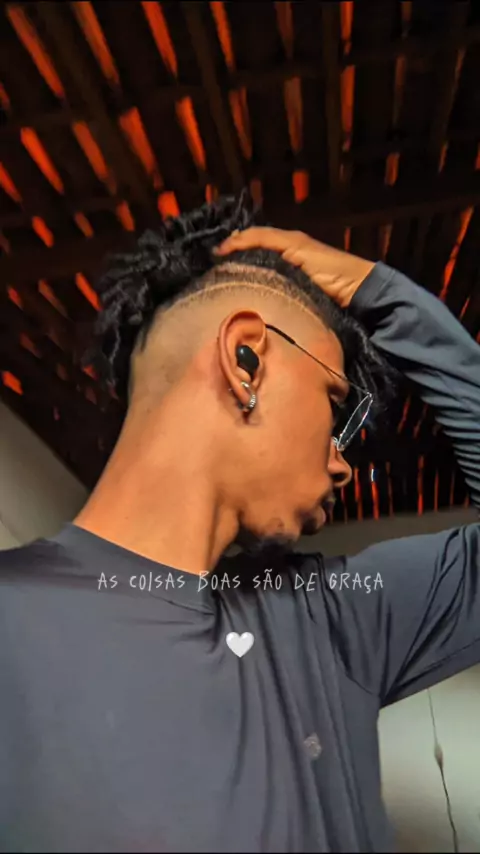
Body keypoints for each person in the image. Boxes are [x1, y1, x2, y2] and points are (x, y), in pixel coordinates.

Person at [0, 192, 478, 853]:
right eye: (335, 406)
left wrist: (387, 298)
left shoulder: (333, 616)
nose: (342, 465)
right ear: (246, 358)